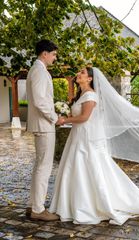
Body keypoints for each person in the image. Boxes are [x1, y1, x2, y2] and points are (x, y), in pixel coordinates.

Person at [49, 67, 139, 225]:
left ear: (90, 79)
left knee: (88, 167)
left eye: (83, 73)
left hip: (86, 138)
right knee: (77, 168)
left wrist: (64, 120)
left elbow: (84, 117)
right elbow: (78, 116)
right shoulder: (82, 95)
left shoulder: (91, 95)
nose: (79, 74)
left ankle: (87, 205)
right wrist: (65, 115)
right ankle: (73, 203)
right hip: (79, 136)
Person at [26, 39, 64, 221]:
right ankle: (38, 210)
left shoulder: (37, 70)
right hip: (44, 125)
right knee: (44, 167)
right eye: (54, 54)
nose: (55, 58)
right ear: (44, 54)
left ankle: (33, 205)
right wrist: (55, 118)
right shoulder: (40, 71)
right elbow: (40, 100)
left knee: (39, 166)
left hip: (42, 125)